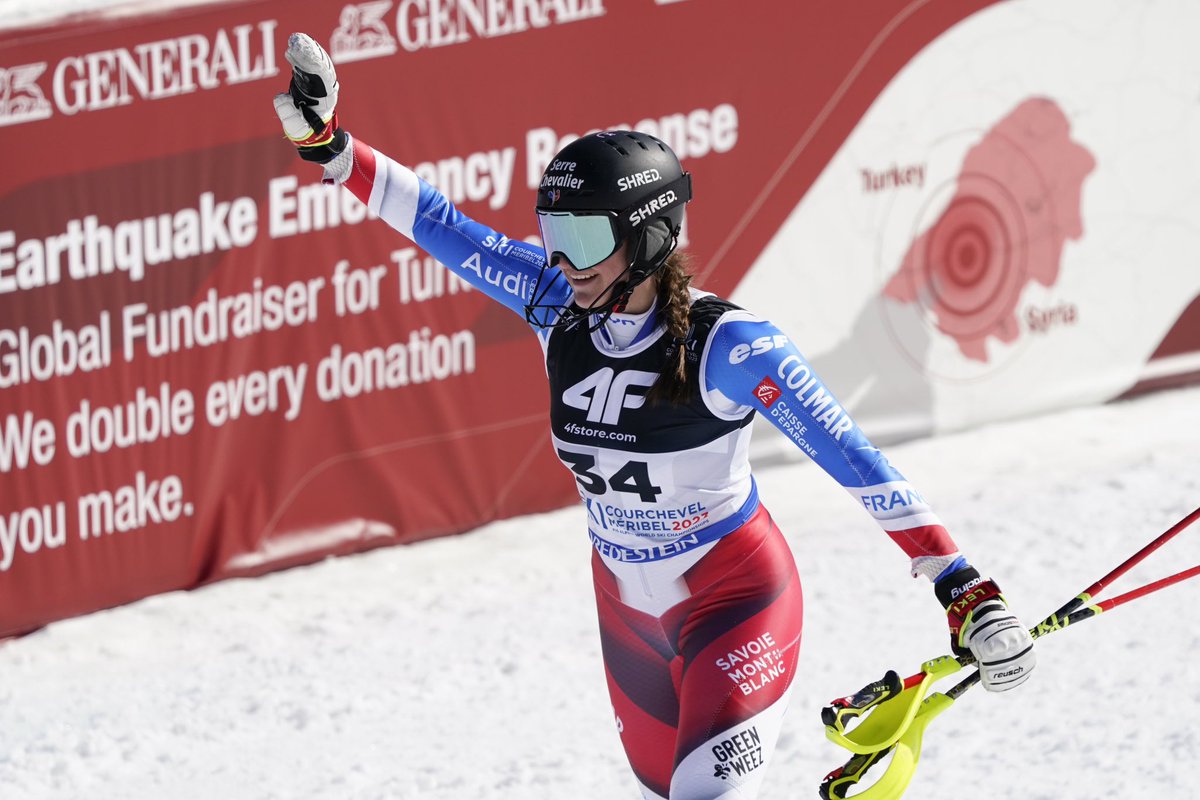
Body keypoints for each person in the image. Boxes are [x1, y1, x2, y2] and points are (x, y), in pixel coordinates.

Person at [272, 33, 1036, 800]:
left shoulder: (729, 346)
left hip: (736, 601)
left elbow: (858, 462)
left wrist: (963, 586)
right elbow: (439, 222)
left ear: (648, 235)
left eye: (584, 236)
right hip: (629, 614)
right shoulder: (552, 302)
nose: (564, 259)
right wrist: (330, 146)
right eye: (553, 233)